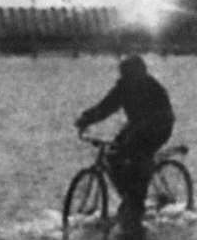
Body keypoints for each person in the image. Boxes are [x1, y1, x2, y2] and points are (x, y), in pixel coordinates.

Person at [75, 54, 175, 225]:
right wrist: (86, 119)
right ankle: (128, 196)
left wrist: (139, 130)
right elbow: (106, 106)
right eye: (125, 74)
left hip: (159, 126)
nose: (128, 78)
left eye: (131, 74)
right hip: (136, 126)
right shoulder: (122, 88)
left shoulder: (153, 88)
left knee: (139, 156)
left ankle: (137, 203)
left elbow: (161, 114)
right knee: (113, 155)